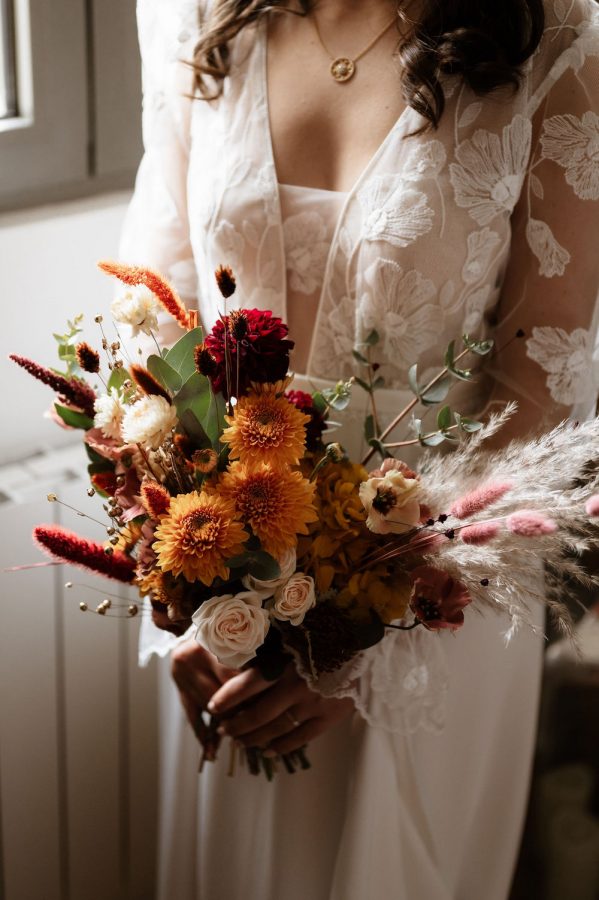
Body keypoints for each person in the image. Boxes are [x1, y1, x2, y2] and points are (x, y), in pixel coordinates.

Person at [120, 0, 599, 897]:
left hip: (442, 587)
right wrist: (184, 581)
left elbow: (546, 377)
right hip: (222, 577)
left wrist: (365, 631)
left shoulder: (557, 38)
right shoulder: (194, 13)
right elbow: (156, 314)